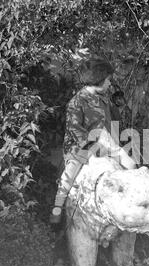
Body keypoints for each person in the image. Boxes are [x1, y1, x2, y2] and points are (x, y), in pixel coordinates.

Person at [50, 57, 136, 224]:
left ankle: (132, 208)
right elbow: (74, 128)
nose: (110, 84)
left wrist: (122, 144)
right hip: (82, 147)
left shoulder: (105, 100)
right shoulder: (76, 102)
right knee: (68, 175)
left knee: (131, 165)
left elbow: (114, 124)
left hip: (109, 143)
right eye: (108, 80)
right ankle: (57, 207)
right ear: (98, 80)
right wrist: (93, 147)